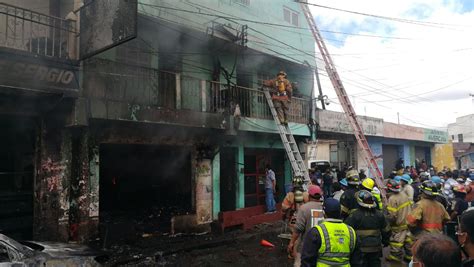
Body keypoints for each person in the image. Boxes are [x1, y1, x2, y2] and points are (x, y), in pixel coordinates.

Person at [301, 198, 362, 267]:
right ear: (340, 212)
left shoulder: (316, 231)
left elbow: (307, 260)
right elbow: (357, 261)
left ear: (324, 213)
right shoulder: (351, 232)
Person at [345, 190, 390, 267]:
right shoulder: (379, 215)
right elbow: (386, 230)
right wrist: (386, 241)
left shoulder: (354, 215)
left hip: (360, 249)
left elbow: (347, 231)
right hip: (376, 248)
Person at [287, 185, 324, 267]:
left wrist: (291, 243)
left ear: (308, 195)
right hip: (322, 245)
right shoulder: (324, 207)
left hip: (306, 246)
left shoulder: (304, 208)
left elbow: (298, 229)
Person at [385, 179, 413, 263]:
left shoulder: (392, 199)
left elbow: (392, 216)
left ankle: (395, 258)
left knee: (396, 242)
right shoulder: (404, 195)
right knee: (408, 241)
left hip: (399, 225)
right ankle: (409, 257)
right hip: (408, 223)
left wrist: (388, 224)